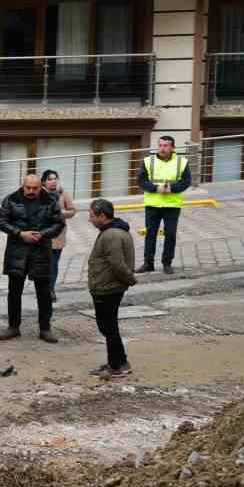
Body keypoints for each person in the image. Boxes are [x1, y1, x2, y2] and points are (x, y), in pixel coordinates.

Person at [0, 173, 63, 343]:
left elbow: (58, 223)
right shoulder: (11, 199)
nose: (32, 191)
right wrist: (20, 233)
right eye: (28, 188)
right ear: (23, 185)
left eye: (35, 188)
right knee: (14, 292)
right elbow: (2, 222)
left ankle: (45, 328)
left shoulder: (49, 201)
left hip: (41, 251)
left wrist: (43, 234)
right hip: (17, 251)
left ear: (40, 186)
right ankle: (13, 326)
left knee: (44, 293)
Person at [86, 198, 137, 378]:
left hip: (108, 288)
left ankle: (117, 365)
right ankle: (118, 361)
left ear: (102, 216)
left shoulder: (111, 235)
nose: (89, 219)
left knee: (108, 327)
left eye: (92, 216)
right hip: (108, 286)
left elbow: (117, 264)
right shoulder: (113, 231)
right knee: (108, 326)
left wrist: (130, 279)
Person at [137, 135, 191, 274]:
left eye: (166, 145)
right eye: (160, 145)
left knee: (170, 234)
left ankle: (167, 263)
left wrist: (172, 188)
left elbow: (186, 181)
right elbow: (141, 181)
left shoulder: (182, 162)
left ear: (172, 147)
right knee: (150, 234)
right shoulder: (148, 161)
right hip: (152, 204)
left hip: (172, 205)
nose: (162, 148)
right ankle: (148, 263)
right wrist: (156, 188)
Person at [41, 170, 76, 300]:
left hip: (57, 235)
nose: (53, 181)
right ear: (44, 182)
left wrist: (60, 213)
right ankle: (43, 288)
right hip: (42, 235)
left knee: (53, 264)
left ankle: (51, 290)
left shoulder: (62, 194)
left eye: (55, 178)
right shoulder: (39, 194)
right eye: (50, 179)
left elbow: (72, 211)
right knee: (42, 264)